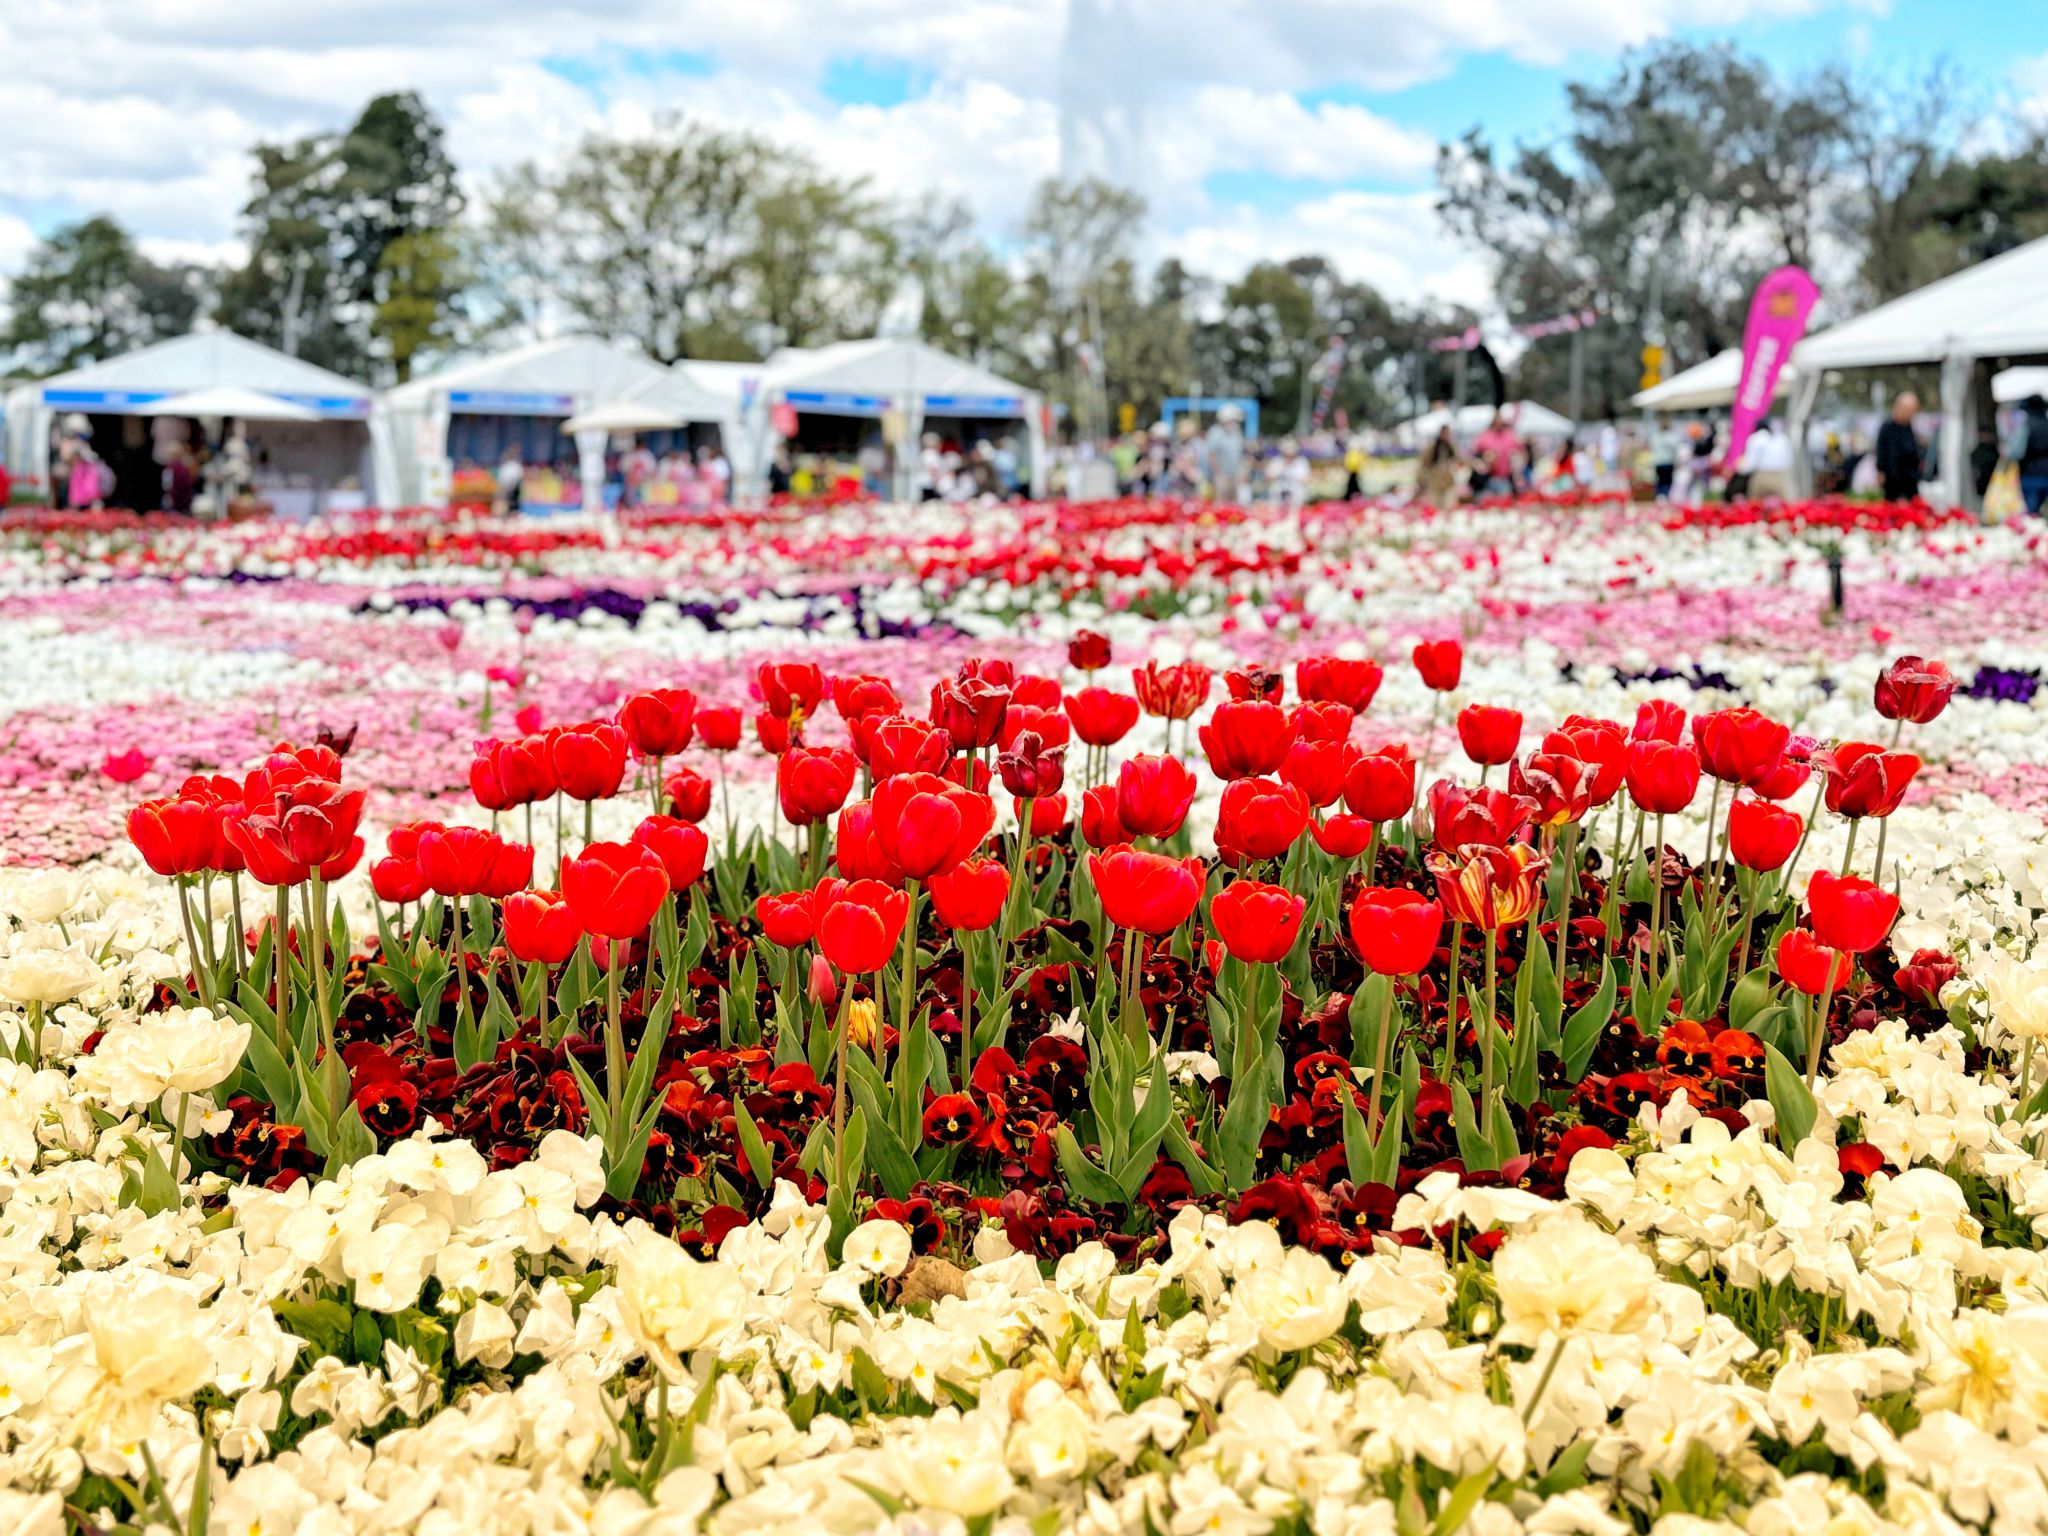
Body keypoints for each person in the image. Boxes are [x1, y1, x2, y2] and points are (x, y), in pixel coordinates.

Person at [1874, 392, 1923, 503]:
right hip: (1892, 479)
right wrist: (1880, 471)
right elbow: (1881, 452)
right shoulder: (1887, 428)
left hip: (1909, 480)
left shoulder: (1910, 428)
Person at [2010, 394, 2048, 517]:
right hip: (2045, 474)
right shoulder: (2046, 424)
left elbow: (2016, 452)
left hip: (2029, 475)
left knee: (2031, 515)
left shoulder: (2025, 426)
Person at [1740, 420, 1794, 501]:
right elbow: (1788, 461)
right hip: (1779, 476)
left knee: (1755, 506)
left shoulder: (1756, 438)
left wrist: (1741, 469)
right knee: (1782, 509)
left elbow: (1750, 464)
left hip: (1761, 476)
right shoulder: (1782, 438)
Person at [1471, 413, 1521, 497]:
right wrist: (1484, 461)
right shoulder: (1484, 436)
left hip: (1504, 478)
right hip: (1487, 478)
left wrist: (1516, 468)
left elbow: (1519, 452)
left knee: (1504, 503)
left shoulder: (1509, 435)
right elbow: (1474, 455)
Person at [1205, 406, 1246, 503]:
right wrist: (1218, 473)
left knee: (1234, 501)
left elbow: (1240, 454)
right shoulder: (1215, 432)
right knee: (1221, 501)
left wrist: (1242, 471)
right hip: (1221, 474)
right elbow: (1211, 455)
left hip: (1235, 473)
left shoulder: (1236, 432)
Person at [1417, 425, 1459, 507]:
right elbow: (1423, 464)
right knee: (1434, 506)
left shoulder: (1451, 446)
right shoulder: (1432, 447)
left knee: (1448, 505)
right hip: (1434, 482)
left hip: (1448, 482)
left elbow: (1457, 459)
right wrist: (1421, 480)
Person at [494, 445, 525, 515]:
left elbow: (518, 480)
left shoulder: (515, 466)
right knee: (505, 507)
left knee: (511, 509)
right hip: (508, 490)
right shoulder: (508, 466)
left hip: (513, 491)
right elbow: (503, 481)